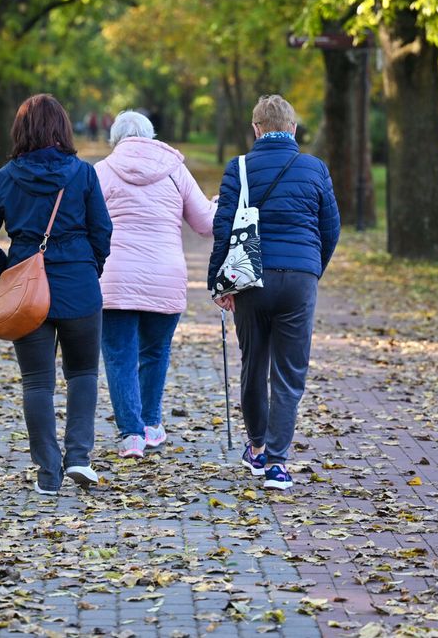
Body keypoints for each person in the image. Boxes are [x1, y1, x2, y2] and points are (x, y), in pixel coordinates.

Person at [0, 94, 113, 495]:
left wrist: (9, 272)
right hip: (79, 285)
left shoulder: (4, 178)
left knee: (36, 382)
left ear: (21, 131)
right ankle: (79, 458)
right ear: (62, 129)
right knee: (83, 374)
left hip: (27, 294)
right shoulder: (82, 175)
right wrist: (90, 267)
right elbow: (102, 232)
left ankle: (48, 473)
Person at [207, 94, 340, 490]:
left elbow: (223, 230)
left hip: (252, 278)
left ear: (256, 129)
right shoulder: (315, 168)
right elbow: (330, 229)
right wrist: (312, 270)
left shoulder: (239, 168)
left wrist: (219, 282)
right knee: (289, 371)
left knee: (254, 363)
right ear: (293, 129)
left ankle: (257, 447)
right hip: (299, 278)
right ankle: (278, 464)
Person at [95, 111, 216, 458]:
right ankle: (150, 424)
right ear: (151, 136)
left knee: (119, 356)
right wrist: (220, 204)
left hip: (115, 276)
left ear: (115, 139)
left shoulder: (100, 172)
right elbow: (205, 224)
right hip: (166, 276)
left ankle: (131, 435)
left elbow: (82, 221)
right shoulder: (175, 170)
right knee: (155, 351)